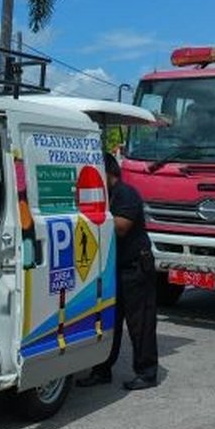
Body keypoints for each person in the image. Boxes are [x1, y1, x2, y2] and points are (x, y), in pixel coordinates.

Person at [79, 152, 160, 390]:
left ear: (109, 172)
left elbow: (122, 227)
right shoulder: (105, 196)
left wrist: (90, 216)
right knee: (108, 322)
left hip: (135, 269)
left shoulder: (126, 194)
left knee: (140, 324)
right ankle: (101, 370)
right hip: (113, 270)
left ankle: (146, 373)